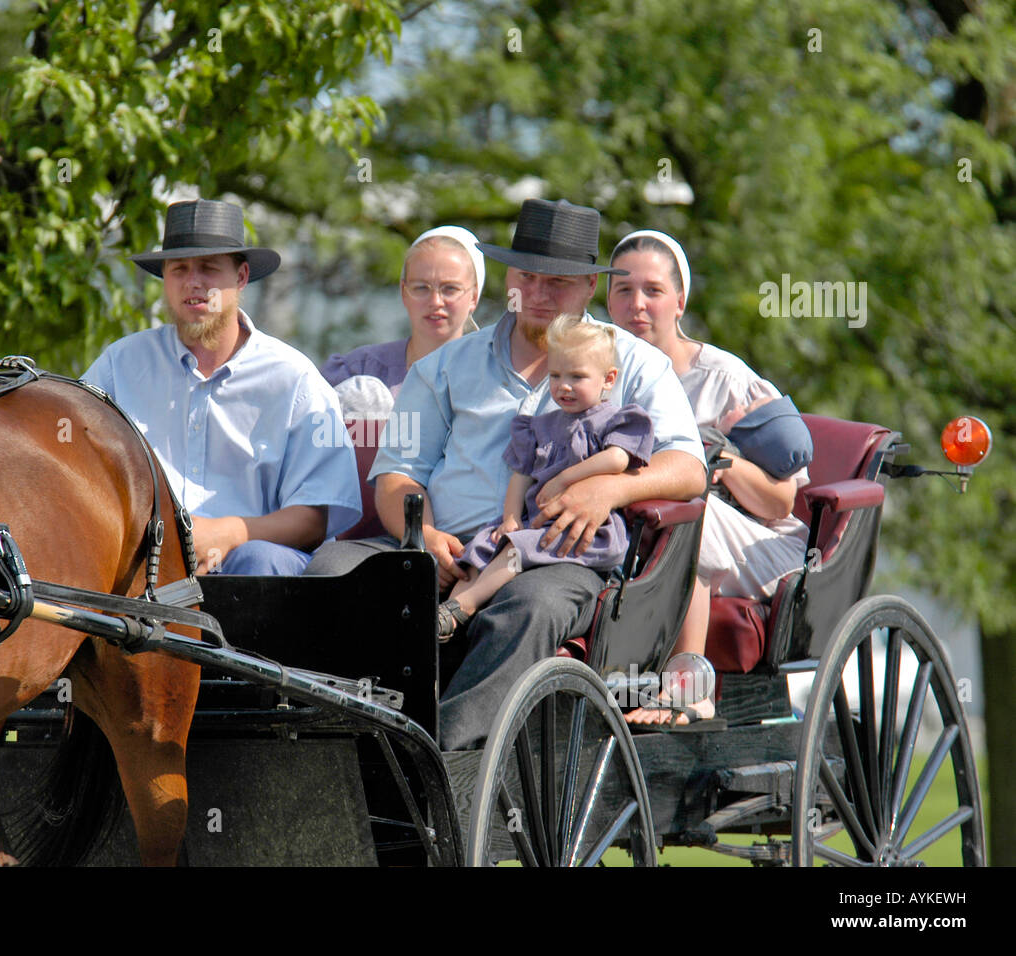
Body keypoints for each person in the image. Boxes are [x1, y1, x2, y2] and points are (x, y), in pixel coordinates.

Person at [305, 199, 706, 751]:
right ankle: (337, 740)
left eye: (558, 282)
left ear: (590, 286)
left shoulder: (634, 364)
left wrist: (611, 487)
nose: (538, 294)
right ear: (508, 277)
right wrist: (421, 537)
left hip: (555, 553)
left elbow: (688, 468)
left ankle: (442, 759)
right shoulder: (443, 367)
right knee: (332, 568)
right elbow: (396, 476)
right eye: (527, 276)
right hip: (444, 549)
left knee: (530, 606)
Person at [83, 198, 361, 576]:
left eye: (209, 269)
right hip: (143, 569)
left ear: (242, 277)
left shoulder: (294, 379)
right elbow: (75, 467)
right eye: (179, 269)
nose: (193, 282)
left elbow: (315, 516)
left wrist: (229, 533)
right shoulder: (119, 365)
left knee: (258, 560)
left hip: (253, 574)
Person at [605, 229, 809, 726]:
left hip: (760, 547)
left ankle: (690, 686)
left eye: (653, 291)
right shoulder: (596, 374)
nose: (637, 305)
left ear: (679, 301)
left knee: (686, 507)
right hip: (645, 537)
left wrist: (721, 462)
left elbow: (782, 501)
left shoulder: (725, 379)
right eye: (623, 290)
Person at [437, 317, 654, 638]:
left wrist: (566, 479)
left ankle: (463, 607)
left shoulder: (613, 420)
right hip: (535, 523)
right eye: (555, 375)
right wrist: (510, 517)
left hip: (583, 532)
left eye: (577, 376)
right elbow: (521, 473)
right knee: (482, 547)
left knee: (515, 550)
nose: (563, 386)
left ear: (608, 379)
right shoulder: (540, 426)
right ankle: (446, 620)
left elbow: (617, 458)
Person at [320, 226, 485, 394]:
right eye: (421, 288)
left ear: (473, 296)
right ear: (403, 292)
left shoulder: (494, 383)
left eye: (450, 289)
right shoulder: (357, 373)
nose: (435, 302)